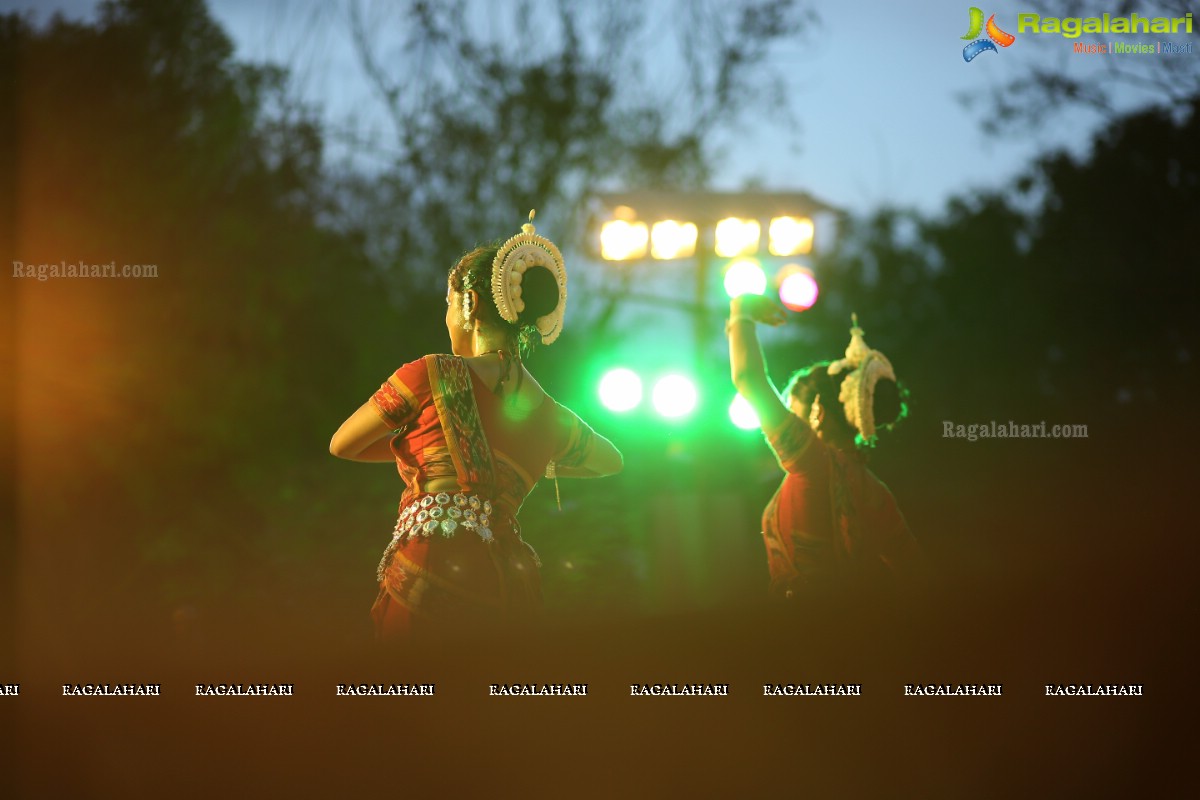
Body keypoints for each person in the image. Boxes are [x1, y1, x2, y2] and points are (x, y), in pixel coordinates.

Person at [330, 211, 623, 639]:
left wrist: (429, 456)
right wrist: (534, 461)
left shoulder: (430, 374)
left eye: (448, 303)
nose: (447, 317)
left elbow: (343, 444)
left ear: (469, 304)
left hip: (430, 569)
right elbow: (611, 461)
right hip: (505, 582)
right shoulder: (551, 414)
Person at [726, 295, 924, 600]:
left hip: (805, 633)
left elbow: (749, 378)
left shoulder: (810, 461)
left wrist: (741, 312)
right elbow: (918, 577)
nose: (789, 421)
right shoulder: (876, 491)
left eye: (794, 412)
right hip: (859, 632)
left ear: (818, 412)